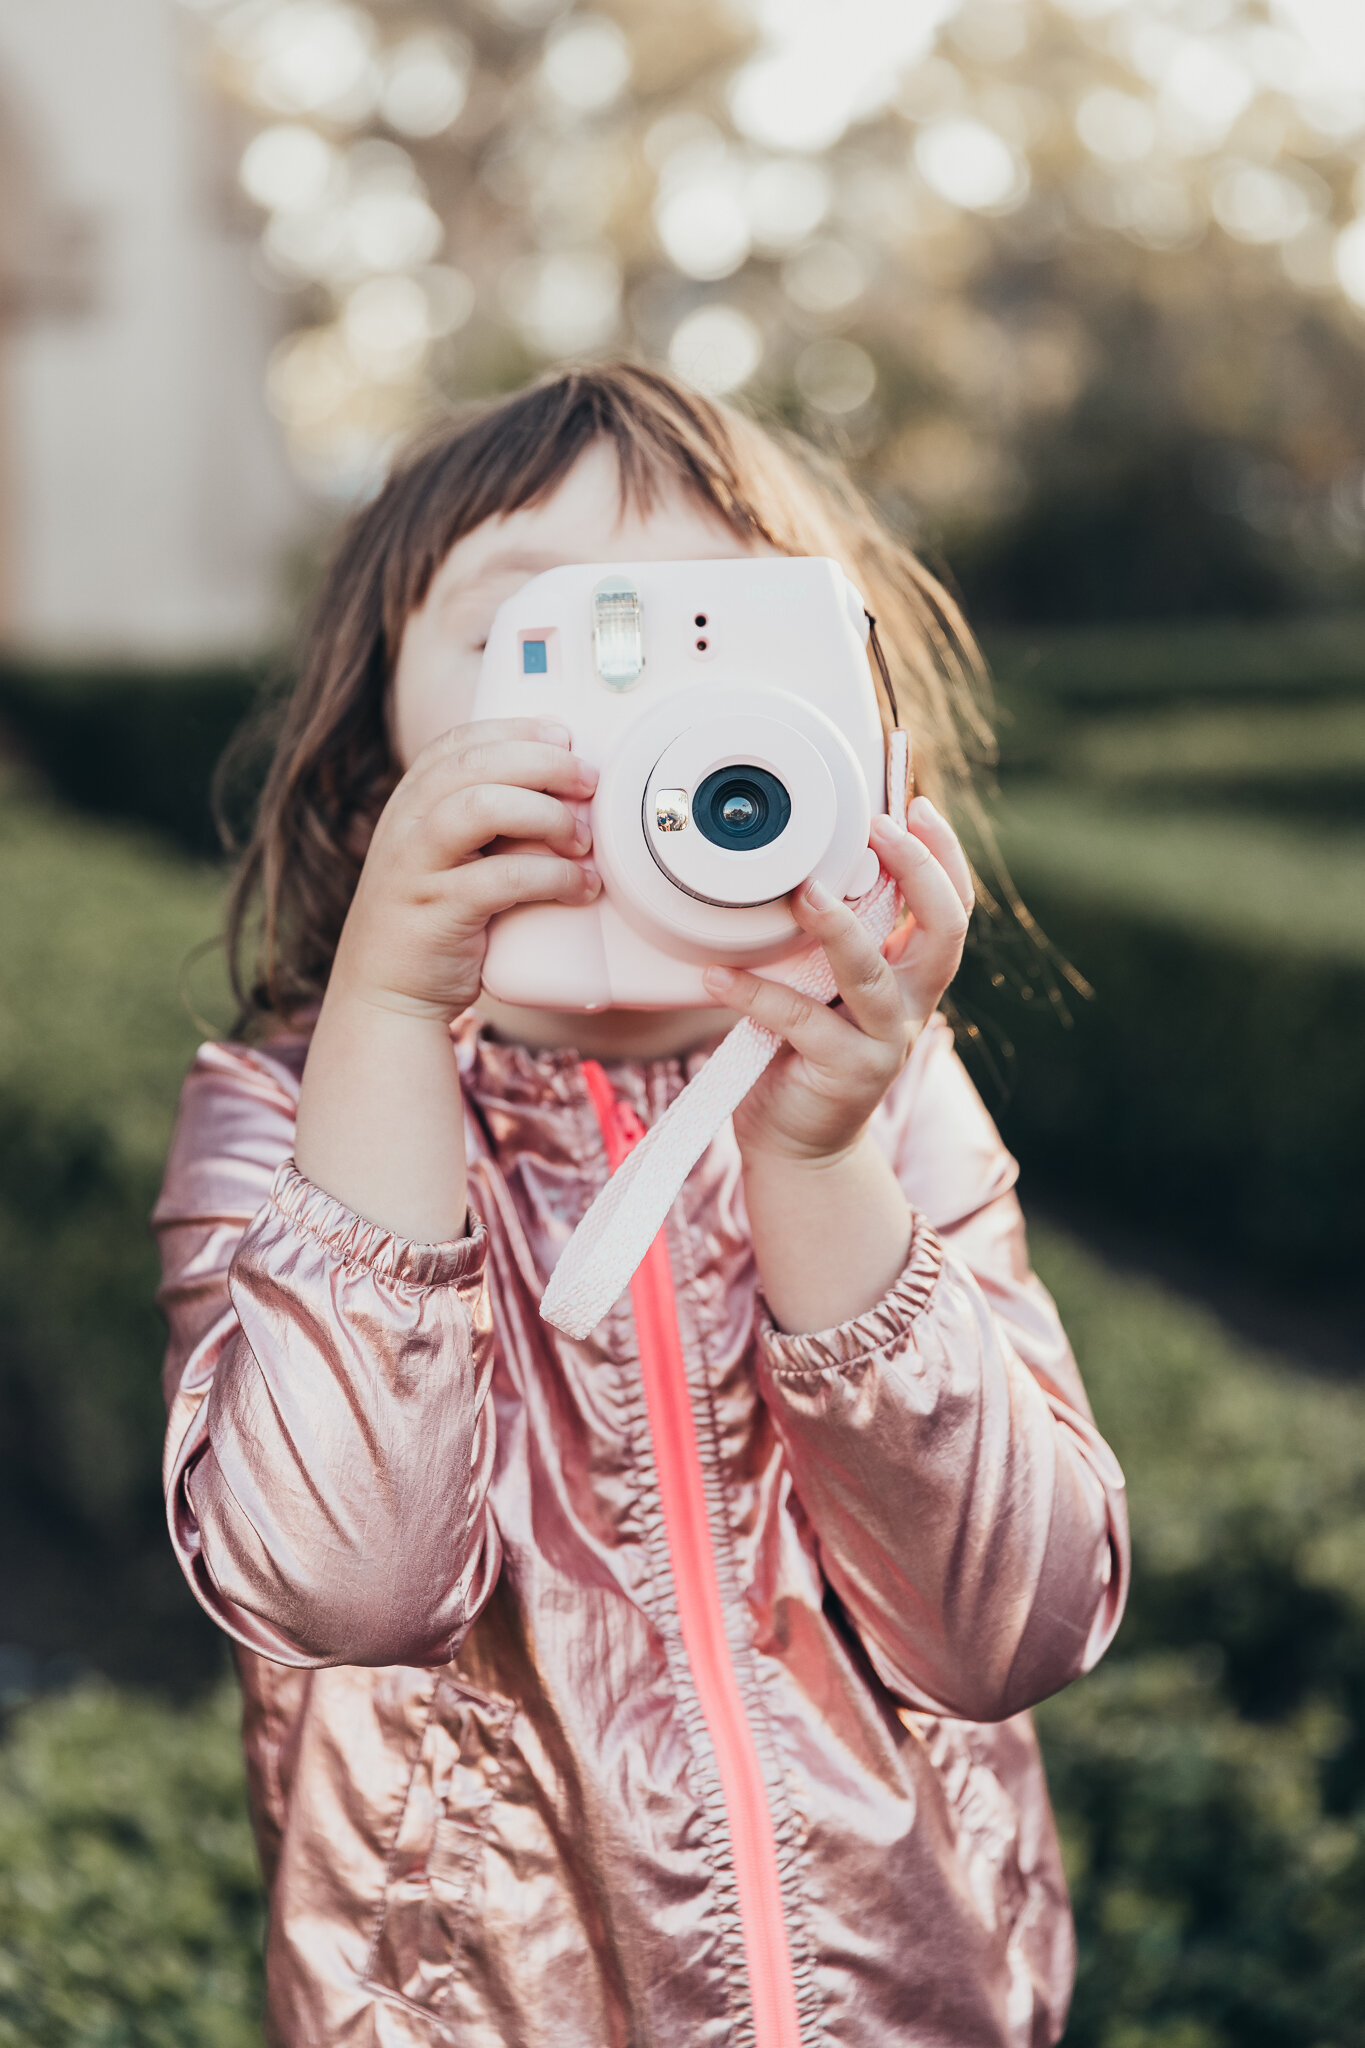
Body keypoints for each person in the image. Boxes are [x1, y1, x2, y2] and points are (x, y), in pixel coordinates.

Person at [154, 363, 1128, 2048]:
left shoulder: (888, 1101)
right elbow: (344, 1591)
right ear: (378, 727)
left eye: (711, 626)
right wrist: (388, 1026)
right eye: (542, 628)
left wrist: (815, 1165)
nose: (642, 708)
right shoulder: (278, 1116)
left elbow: (1011, 1629)